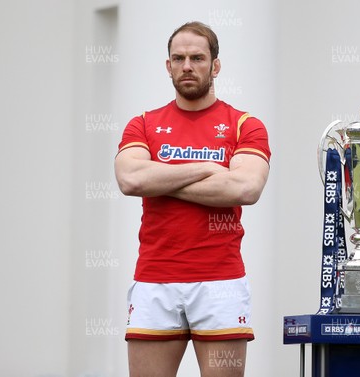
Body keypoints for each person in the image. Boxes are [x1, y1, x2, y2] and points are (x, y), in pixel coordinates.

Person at [114, 21, 271, 377]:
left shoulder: (245, 124)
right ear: (168, 66)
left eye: (197, 58)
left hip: (220, 281)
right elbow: (129, 178)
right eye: (179, 58)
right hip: (155, 277)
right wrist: (208, 167)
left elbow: (245, 189)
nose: (187, 65)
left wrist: (159, 177)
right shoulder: (143, 123)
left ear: (215, 65)